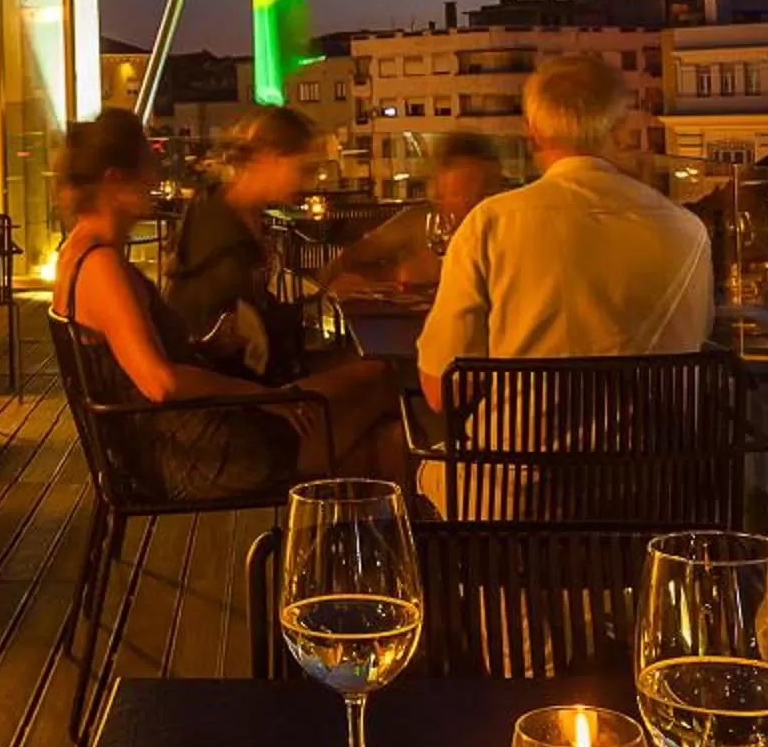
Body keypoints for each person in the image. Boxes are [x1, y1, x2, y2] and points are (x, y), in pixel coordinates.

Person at [53, 109, 402, 488]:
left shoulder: (80, 254)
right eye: (147, 169)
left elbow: (143, 361)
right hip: (195, 448)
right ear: (115, 181)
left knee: (383, 436)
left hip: (178, 435)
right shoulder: (102, 267)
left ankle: (331, 536)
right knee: (383, 383)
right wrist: (258, 394)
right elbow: (160, 382)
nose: (156, 181)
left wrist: (207, 345)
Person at [418, 55, 712, 404]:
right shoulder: (689, 231)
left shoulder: (489, 224)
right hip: (664, 455)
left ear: (533, 133)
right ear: (620, 130)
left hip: (518, 455)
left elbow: (443, 391)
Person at [164, 104, 323, 369]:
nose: (309, 181)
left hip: (214, 375)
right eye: (303, 169)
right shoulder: (226, 238)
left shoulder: (219, 204)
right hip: (222, 389)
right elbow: (239, 337)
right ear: (271, 158)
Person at [323, 131, 506, 299]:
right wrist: (392, 276)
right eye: (460, 191)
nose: (472, 202)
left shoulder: (508, 229)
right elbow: (345, 261)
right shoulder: (421, 223)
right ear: (439, 191)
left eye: (485, 190)